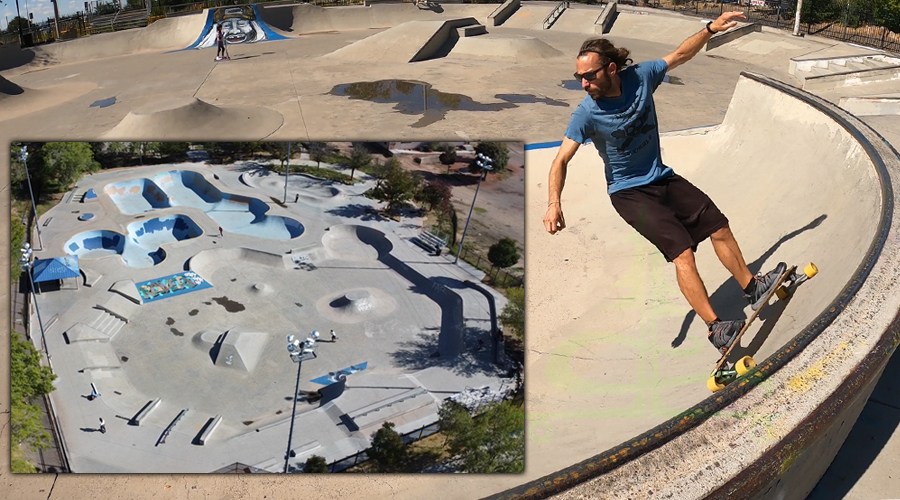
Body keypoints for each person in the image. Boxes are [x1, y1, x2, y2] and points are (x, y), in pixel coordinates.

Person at [543, 11, 787, 355]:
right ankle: (716, 328)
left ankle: (753, 286)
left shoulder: (641, 76)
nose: (584, 84)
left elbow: (681, 54)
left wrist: (709, 29)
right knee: (682, 253)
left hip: (662, 177)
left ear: (611, 69)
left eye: (590, 76)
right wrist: (554, 202)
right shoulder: (586, 113)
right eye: (579, 77)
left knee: (718, 226)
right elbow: (560, 160)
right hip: (628, 194)